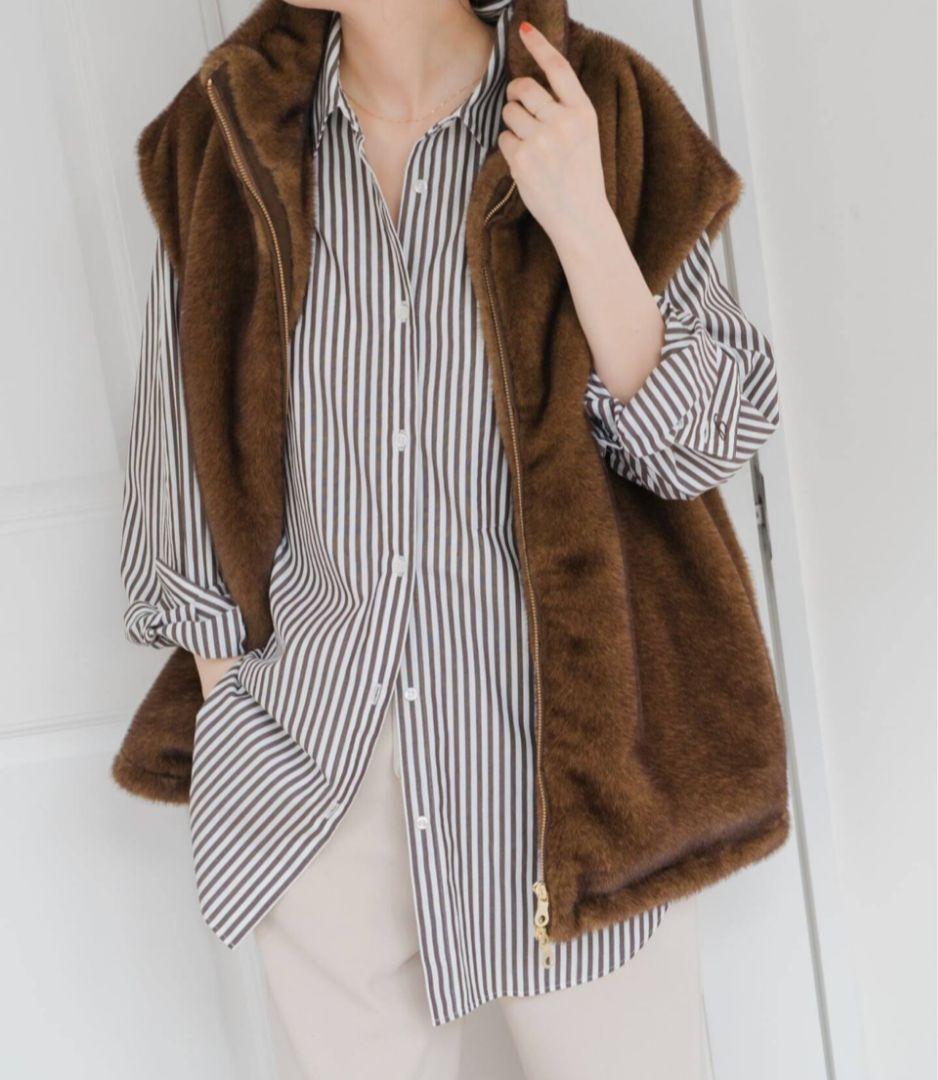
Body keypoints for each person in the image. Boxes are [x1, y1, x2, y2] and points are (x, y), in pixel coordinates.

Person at [116, 0, 789, 1076]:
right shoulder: (225, 130)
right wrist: (237, 717)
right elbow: (181, 461)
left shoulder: (595, 106)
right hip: (315, 782)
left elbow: (701, 442)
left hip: (568, 791)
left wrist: (581, 217)